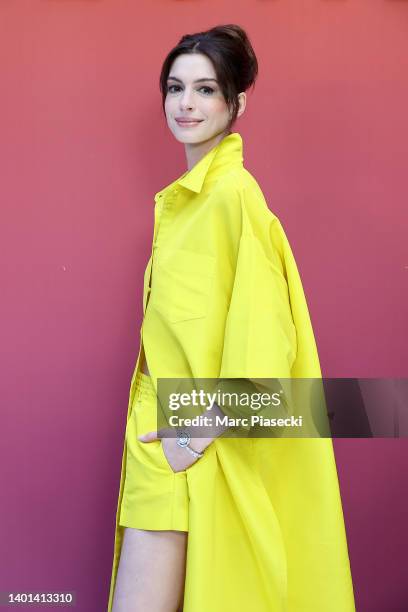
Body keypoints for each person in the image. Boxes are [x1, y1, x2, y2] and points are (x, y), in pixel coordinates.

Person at [108, 24, 356, 612]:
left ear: (237, 102)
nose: (186, 104)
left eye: (206, 90)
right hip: (160, 440)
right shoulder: (188, 202)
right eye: (175, 88)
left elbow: (268, 343)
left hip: (185, 447)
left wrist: (189, 437)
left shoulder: (231, 198)